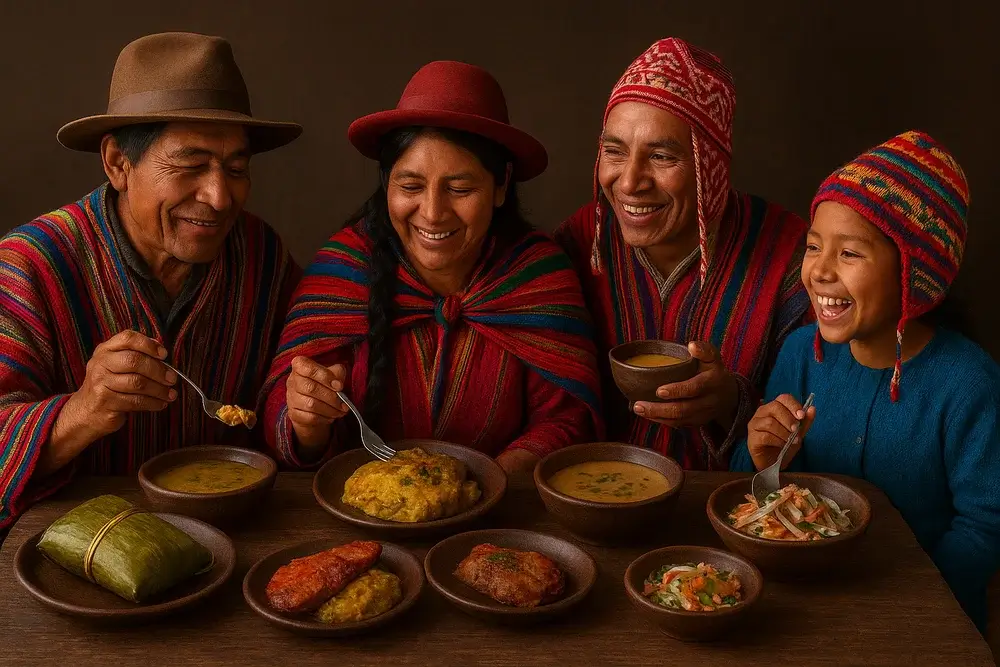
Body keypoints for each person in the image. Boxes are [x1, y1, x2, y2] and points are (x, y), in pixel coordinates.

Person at [0, 32, 302, 529]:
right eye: (190, 165)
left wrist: (303, 407)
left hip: (239, 533)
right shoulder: (29, 266)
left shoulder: (262, 255)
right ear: (119, 163)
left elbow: (283, 396)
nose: (220, 197)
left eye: (236, 167)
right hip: (87, 547)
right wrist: (82, 411)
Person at [260, 61, 602, 475]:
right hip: (358, 520)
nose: (433, 213)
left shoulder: (539, 275)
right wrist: (307, 421)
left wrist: (486, 484)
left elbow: (565, 421)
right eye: (410, 187)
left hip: (502, 516)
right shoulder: (345, 269)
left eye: (460, 189)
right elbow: (289, 421)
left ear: (501, 185)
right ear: (386, 183)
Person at [731, 131, 1000, 634]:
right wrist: (765, 461)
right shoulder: (800, 353)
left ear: (915, 272)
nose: (820, 272)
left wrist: (905, 601)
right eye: (814, 247)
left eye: (850, 254)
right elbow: (755, 489)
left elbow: (987, 523)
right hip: (803, 608)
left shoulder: (968, 383)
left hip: (921, 621)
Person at [555, 37, 811, 470]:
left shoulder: (791, 255)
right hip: (590, 509)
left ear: (710, 167)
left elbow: (826, 412)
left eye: (661, 156)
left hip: (734, 517)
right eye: (614, 151)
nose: (630, 182)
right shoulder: (580, 242)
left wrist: (731, 401)